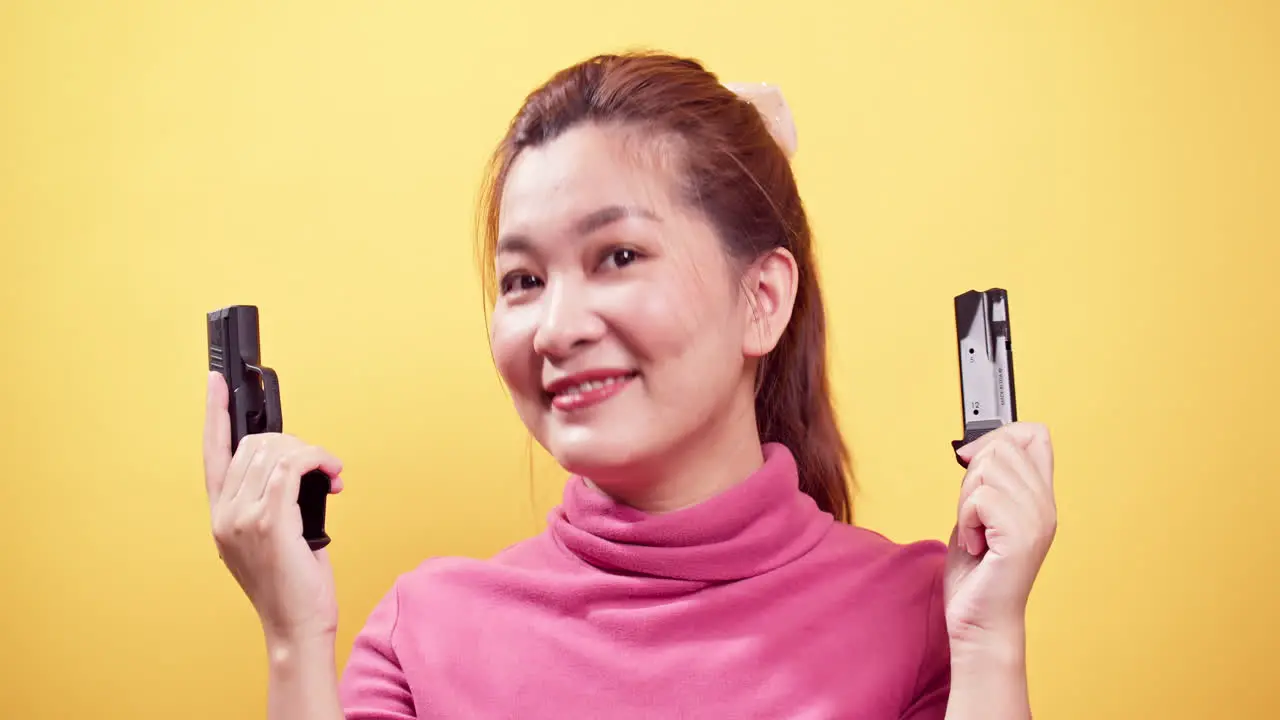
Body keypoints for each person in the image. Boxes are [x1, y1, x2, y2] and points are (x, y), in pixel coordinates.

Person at [201, 51, 1057, 719]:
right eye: (523, 280)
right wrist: (292, 639)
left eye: (617, 256)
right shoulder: (423, 633)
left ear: (762, 300)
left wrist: (988, 646)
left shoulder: (924, 616)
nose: (555, 327)